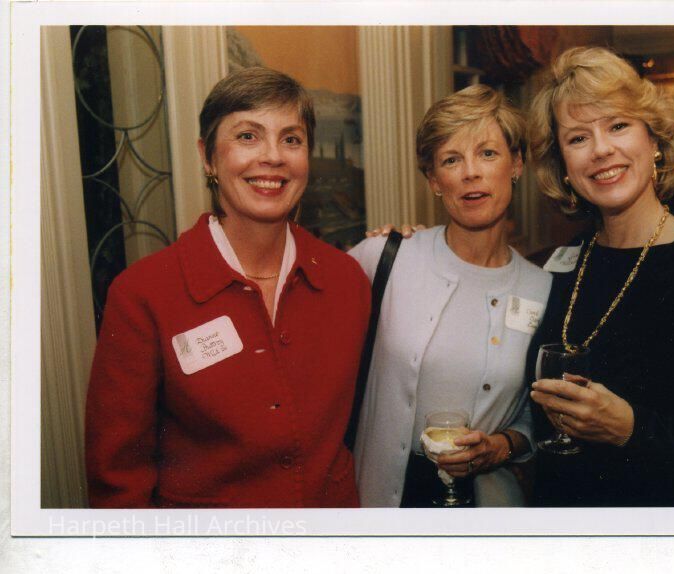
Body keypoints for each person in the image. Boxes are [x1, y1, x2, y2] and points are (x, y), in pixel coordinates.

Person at [85, 67, 371, 508]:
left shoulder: (346, 280)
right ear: (208, 157)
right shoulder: (143, 295)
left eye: (291, 139)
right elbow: (119, 480)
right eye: (247, 136)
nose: (273, 156)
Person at [526, 46, 674, 506]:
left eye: (618, 125)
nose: (601, 149)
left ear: (653, 139)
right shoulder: (566, 260)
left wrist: (630, 427)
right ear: (564, 167)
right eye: (578, 138)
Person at [350, 85, 552, 507]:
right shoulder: (385, 258)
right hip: (383, 501)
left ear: (516, 164)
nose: (470, 173)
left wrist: (503, 446)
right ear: (434, 181)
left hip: (490, 513)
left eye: (487, 153)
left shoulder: (543, 288)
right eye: (451, 160)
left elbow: (537, 415)